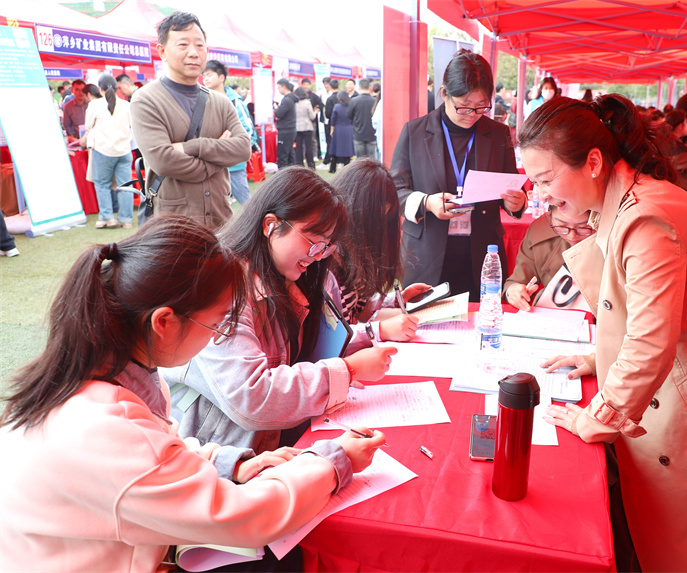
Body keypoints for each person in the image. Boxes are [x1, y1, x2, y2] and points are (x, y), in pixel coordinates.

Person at [0, 215, 383, 572]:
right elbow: (242, 517)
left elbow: (156, 449)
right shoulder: (102, 425)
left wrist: (229, 463)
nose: (217, 337)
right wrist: (332, 461)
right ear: (164, 322)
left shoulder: (103, 375)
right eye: (215, 324)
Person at [519, 94, 687, 572]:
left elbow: (649, 341)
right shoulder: (626, 199)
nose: (542, 196)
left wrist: (594, 418)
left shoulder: (646, 216)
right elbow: (637, 314)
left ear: (594, 162)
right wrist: (595, 359)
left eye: (546, 179)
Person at [162, 167, 396, 460]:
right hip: (220, 459)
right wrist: (347, 371)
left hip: (268, 448)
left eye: (327, 246)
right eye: (313, 242)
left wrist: (365, 340)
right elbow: (251, 397)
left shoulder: (298, 278)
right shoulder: (223, 291)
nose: (318, 255)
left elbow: (317, 346)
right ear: (270, 225)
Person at [392, 49, 527, 301]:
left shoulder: (498, 134)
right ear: (444, 93)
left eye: (480, 107)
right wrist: (427, 203)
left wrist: (516, 203)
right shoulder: (415, 132)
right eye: (464, 107)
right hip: (427, 253)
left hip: (482, 253)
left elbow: (511, 184)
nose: (472, 115)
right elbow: (395, 190)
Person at [130, 11, 250, 230]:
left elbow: (243, 149)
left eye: (200, 45)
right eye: (183, 45)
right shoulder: (146, 100)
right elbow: (163, 160)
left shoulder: (220, 102)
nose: (194, 53)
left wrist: (189, 147)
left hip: (220, 221)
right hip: (174, 226)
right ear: (162, 51)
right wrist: (218, 157)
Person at [329, 159, 430, 340]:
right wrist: (379, 331)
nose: (377, 229)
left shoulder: (353, 251)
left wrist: (397, 300)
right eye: (373, 219)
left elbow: (358, 309)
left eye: (384, 219)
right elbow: (331, 341)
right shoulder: (324, 259)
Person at [503, 206, 594, 311]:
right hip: (555, 314)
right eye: (562, 226)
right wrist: (513, 291)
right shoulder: (539, 232)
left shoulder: (612, 236)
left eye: (583, 227)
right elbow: (517, 280)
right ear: (550, 217)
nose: (572, 235)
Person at [202, 59, 258, 205]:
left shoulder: (234, 102)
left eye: (209, 74)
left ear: (222, 78)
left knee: (246, 203)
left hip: (234, 164)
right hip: (211, 163)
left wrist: (232, 149)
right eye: (203, 75)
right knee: (215, 206)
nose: (205, 78)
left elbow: (249, 132)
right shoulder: (202, 101)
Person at [83, 74, 135, 229]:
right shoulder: (126, 105)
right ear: (116, 87)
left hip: (103, 150)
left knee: (102, 185)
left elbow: (87, 126)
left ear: (100, 89)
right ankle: (126, 219)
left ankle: (107, 217)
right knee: (125, 185)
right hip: (124, 150)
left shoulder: (95, 105)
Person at [347, 78, 377, 159]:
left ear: (359, 88)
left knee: (360, 161)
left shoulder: (354, 100)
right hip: (372, 134)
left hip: (358, 134)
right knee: (371, 161)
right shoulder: (375, 101)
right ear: (370, 88)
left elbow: (349, 115)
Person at [328, 90, 354, 174]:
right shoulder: (351, 106)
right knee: (347, 150)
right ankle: (346, 169)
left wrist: (332, 130)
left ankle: (332, 168)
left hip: (338, 129)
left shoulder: (336, 107)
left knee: (335, 149)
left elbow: (333, 119)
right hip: (348, 129)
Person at [274, 78, 297, 168]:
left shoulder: (287, 100)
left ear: (284, 87)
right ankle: (294, 172)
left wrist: (276, 109)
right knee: (290, 153)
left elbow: (279, 113)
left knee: (283, 154)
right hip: (290, 128)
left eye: (279, 87)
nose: (279, 90)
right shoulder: (291, 98)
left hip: (285, 129)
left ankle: (283, 174)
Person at [293, 86, 317, 168]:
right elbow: (312, 116)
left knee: (299, 146)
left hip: (297, 127)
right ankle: (311, 164)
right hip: (307, 126)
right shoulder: (307, 102)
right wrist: (315, 112)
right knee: (308, 146)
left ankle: (299, 164)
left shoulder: (294, 103)